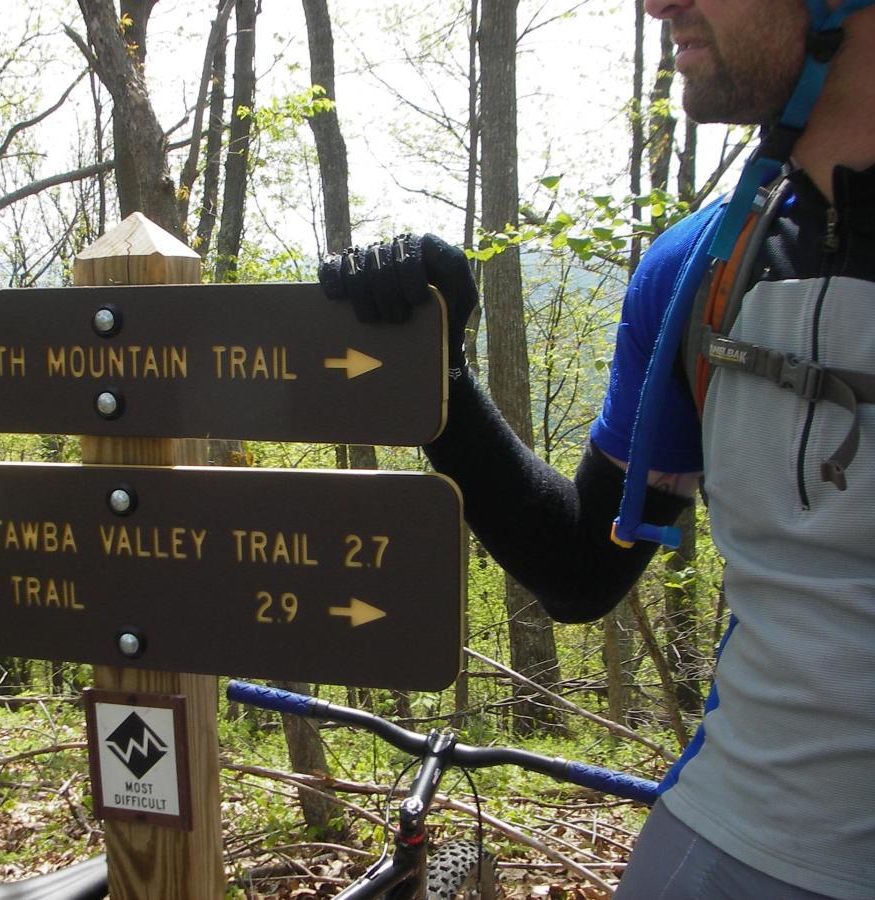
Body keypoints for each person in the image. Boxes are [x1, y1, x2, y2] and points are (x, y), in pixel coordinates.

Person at [318, 0, 874, 896]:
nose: (657, 2)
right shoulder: (700, 272)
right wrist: (439, 378)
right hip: (733, 834)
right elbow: (582, 565)